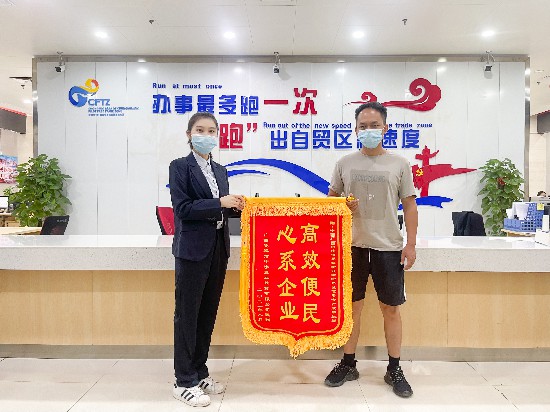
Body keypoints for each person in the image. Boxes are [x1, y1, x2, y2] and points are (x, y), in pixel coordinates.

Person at [324, 102, 418, 398]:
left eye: (374, 125)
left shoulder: (399, 164)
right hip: (351, 247)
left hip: (388, 247)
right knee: (351, 308)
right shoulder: (345, 163)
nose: (368, 130)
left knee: (391, 309)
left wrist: (411, 243)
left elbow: (410, 204)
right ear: (355, 130)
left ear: (385, 128)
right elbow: (330, 202)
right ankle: (348, 363)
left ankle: (394, 368)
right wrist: (342, 205)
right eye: (362, 126)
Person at [169, 112, 245, 407]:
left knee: (207, 313)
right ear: (189, 134)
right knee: (187, 315)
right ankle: (183, 380)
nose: (206, 135)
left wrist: (237, 206)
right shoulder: (180, 167)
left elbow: (219, 210)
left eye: (212, 131)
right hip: (192, 250)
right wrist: (219, 202)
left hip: (217, 249)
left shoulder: (221, 171)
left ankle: (199, 372)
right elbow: (183, 209)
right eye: (200, 130)